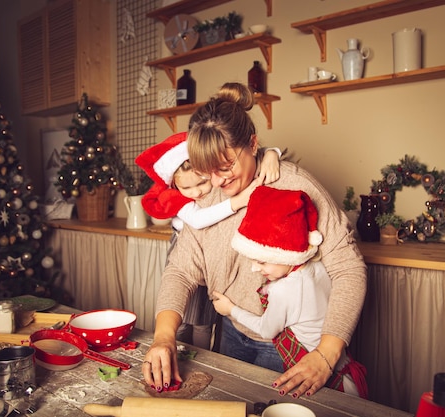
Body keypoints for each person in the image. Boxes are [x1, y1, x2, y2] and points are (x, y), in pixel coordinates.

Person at [142, 82, 366, 399]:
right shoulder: (204, 196)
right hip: (232, 331)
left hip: (292, 342)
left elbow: (348, 268)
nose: (218, 182)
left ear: (253, 143)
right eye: (208, 171)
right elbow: (180, 270)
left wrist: (327, 353)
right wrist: (164, 335)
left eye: (227, 166)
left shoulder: (294, 184)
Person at [211, 186, 367, 398]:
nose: (255, 268)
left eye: (262, 261)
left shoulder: (285, 290)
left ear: (286, 255)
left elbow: (266, 330)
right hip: (344, 370)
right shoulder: (317, 267)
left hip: (323, 380)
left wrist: (231, 309)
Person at [134, 131, 281, 349]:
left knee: (204, 315)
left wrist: (271, 154)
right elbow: (199, 219)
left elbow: (255, 155)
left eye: (202, 183)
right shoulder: (179, 200)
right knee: (185, 313)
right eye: (186, 187)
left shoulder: (218, 184)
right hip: (185, 249)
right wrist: (239, 201)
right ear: (175, 186)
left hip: (212, 254)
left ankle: (201, 354)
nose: (196, 193)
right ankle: (176, 346)